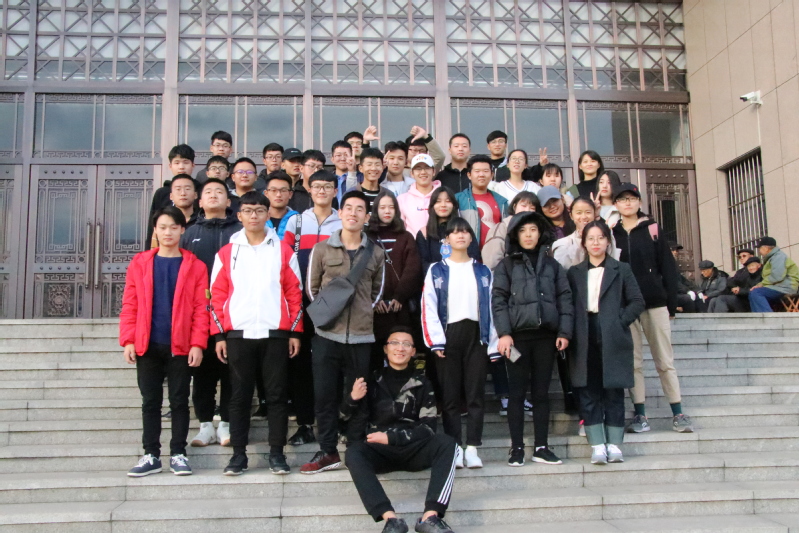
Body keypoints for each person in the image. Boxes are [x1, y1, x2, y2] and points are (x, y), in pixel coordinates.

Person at [209, 191, 304, 476]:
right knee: (239, 397)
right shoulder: (227, 252)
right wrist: (219, 335)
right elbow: (216, 295)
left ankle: (277, 454)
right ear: (239, 215)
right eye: (248, 211)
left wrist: (295, 332)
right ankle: (238, 456)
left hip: (275, 332)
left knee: (276, 396)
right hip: (238, 333)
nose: (254, 216)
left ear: (267, 214)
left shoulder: (283, 250)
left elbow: (294, 292)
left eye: (259, 210)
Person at [301, 190, 386, 474]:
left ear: (366, 216)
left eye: (359, 209)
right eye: (348, 208)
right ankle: (327, 451)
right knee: (325, 396)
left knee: (359, 395)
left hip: (361, 337)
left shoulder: (376, 252)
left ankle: (356, 450)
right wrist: (329, 314)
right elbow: (312, 289)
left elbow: (376, 293)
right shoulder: (322, 249)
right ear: (340, 213)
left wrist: (360, 313)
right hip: (326, 335)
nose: (353, 213)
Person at [120, 206, 208, 477]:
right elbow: (130, 304)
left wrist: (197, 343)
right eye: (162, 227)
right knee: (150, 401)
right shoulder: (140, 263)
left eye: (173, 227)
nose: (168, 232)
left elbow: (201, 308)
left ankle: (178, 453)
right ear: (155, 230)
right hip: (148, 344)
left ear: (183, 230)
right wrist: (128, 340)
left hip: (180, 346)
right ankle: (151, 454)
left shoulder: (195, 265)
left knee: (179, 401)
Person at [343, 326, 458, 533]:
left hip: (413, 449)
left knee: (448, 443)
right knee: (353, 453)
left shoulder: (422, 383)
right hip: (381, 452)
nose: (400, 348)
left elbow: (428, 428)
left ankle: (430, 517)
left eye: (406, 344)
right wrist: (352, 399)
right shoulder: (372, 381)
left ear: (413, 351)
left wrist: (392, 438)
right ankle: (391, 520)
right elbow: (342, 418)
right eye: (394, 343)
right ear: (385, 349)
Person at [492, 211, 573, 467]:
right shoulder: (506, 266)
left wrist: (564, 332)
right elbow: (498, 301)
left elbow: (565, 299)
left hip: (546, 338)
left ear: (541, 233)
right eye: (523, 230)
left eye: (533, 230)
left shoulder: (553, 266)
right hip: (517, 339)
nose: (528, 235)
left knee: (541, 394)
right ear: (516, 235)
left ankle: (541, 447)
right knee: (516, 394)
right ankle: (516, 448)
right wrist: (504, 333)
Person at [611, 183, 693, 433]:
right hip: (627, 306)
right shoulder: (612, 232)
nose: (627, 203)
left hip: (655, 303)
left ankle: (678, 413)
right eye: (622, 199)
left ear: (639, 202)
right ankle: (640, 415)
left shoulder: (653, 229)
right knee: (634, 362)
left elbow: (667, 267)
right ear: (615, 204)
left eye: (631, 198)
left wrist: (671, 303)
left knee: (664, 360)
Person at [421, 217, 498, 469]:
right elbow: (428, 305)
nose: (461, 235)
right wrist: (436, 341)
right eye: (455, 232)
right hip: (448, 336)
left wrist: (493, 343)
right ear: (447, 239)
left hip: (477, 336)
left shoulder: (483, 271)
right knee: (450, 397)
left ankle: (473, 447)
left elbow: (492, 308)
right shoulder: (437, 270)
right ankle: (454, 447)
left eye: (465, 231)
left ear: (471, 237)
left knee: (475, 395)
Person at [567, 220, 645, 465]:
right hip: (584, 334)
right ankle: (597, 445)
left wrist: (619, 321)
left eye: (600, 238)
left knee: (613, 390)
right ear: (584, 243)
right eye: (591, 238)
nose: (596, 243)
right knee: (588, 390)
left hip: (613, 333)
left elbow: (637, 301)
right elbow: (568, 305)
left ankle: (614, 444)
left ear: (608, 242)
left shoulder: (621, 269)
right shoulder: (575, 272)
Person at [282, 169, 343, 446]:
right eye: (317, 186)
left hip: (332, 303)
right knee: (301, 364)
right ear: (309, 189)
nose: (322, 191)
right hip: (300, 302)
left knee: (332, 363)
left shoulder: (342, 221)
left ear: (335, 190)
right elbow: (285, 261)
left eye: (327, 186)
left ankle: (335, 422)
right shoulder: (296, 221)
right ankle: (305, 423)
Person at [180, 178, 242, 448]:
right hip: (200, 314)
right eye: (208, 192)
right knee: (202, 372)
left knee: (232, 371)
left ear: (229, 201)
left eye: (220, 191)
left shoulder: (240, 232)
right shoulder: (189, 233)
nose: (214, 195)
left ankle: (226, 423)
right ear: (200, 201)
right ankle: (205, 425)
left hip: (234, 312)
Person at [366, 190, 423, 372]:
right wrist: (375, 298)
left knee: (401, 350)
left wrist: (399, 296)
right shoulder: (366, 237)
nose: (387, 211)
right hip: (374, 309)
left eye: (391, 207)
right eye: (382, 207)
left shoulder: (406, 237)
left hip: (400, 307)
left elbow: (413, 269)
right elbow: (363, 271)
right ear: (376, 210)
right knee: (375, 355)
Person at [416, 186, 481, 275]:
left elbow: (474, 255)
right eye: (438, 201)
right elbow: (423, 263)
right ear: (432, 206)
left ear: (454, 205)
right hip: (435, 279)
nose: (443, 205)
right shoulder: (424, 233)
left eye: (448, 201)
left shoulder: (464, 229)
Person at [146, 144, 196, 250]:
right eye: (177, 163)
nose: (181, 167)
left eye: (185, 162)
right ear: (170, 166)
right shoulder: (162, 193)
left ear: (193, 165)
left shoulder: (201, 190)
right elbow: (152, 225)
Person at [455, 154, 508, 250]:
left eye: (486, 171)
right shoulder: (458, 199)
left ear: (492, 175)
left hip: (495, 254)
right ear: (469, 175)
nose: (481, 174)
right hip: (467, 254)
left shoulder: (502, 202)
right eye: (477, 171)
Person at [482, 192, 541, 272]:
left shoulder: (538, 230)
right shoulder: (502, 228)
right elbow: (492, 261)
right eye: (523, 206)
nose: (527, 210)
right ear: (514, 206)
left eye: (532, 208)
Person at [749, 236, 799, 312]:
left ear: (766, 248)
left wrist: (761, 284)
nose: (759, 251)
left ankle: (767, 317)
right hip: (780, 286)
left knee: (757, 293)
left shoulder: (779, 257)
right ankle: (760, 317)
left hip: (786, 287)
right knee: (754, 292)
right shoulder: (773, 257)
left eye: (760, 249)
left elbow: (777, 276)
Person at [398, 154, 442, 237]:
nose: (423, 172)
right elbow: (399, 229)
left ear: (433, 172)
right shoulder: (402, 199)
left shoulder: (443, 197)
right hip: (413, 244)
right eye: (418, 169)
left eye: (427, 168)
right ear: (412, 173)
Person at [264, 171, 299, 239]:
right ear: (266, 194)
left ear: (290, 194)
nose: (278, 195)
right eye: (273, 190)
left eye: (283, 190)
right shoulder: (258, 219)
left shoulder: (298, 220)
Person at [672, 245, 700, 313]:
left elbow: (683, 280)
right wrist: (687, 291)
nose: (676, 252)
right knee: (687, 299)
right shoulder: (664, 264)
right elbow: (672, 281)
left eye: (677, 250)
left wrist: (697, 290)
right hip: (669, 294)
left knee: (698, 298)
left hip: (678, 292)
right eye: (673, 250)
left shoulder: (673, 264)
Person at [358, 147, 385, 212]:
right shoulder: (352, 193)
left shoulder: (388, 194)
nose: (373, 168)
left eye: (377, 165)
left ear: (382, 168)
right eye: (369, 165)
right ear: (360, 168)